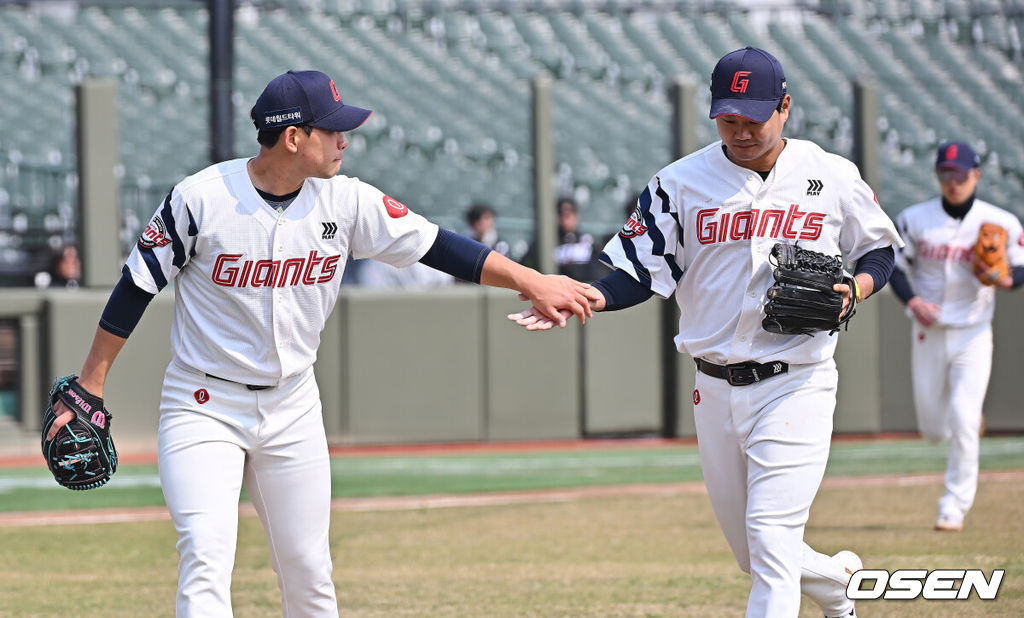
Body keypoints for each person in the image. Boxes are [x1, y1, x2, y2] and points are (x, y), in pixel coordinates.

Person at [44, 69, 596, 617]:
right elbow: (136, 284)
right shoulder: (201, 199)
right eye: (331, 130)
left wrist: (531, 280)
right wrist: (91, 382)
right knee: (206, 558)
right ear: (293, 137)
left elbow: (439, 246)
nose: (344, 140)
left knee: (309, 572)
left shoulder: (346, 201)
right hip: (203, 405)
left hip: (293, 405)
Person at [510, 47, 902, 618]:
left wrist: (857, 289)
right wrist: (587, 294)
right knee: (756, 554)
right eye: (729, 118)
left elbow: (880, 249)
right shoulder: (679, 183)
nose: (740, 130)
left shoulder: (831, 175)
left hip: (798, 379)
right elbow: (639, 272)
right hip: (713, 387)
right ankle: (840, 583)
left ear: (785, 106)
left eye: (754, 117)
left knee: (770, 541)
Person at [890, 141, 1024, 532]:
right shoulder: (915, 219)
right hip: (928, 330)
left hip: (973, 330)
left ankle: (954, 505)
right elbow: (895, 267)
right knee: (934, 429)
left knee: (964, 421)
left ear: (976, 176)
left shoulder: (1000, 221)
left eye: (961, 175)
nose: (953, 182)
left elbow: (1021, 267)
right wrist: (913, 301)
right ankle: (963, 419)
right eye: (946, 174)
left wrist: (1007, 279)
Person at [553, 196, 601, 281]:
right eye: (561, 214)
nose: (565, 219)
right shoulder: (548, 242)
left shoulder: (588, 241)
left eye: (568, 214)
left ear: (576, 215)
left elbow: (597, 271)